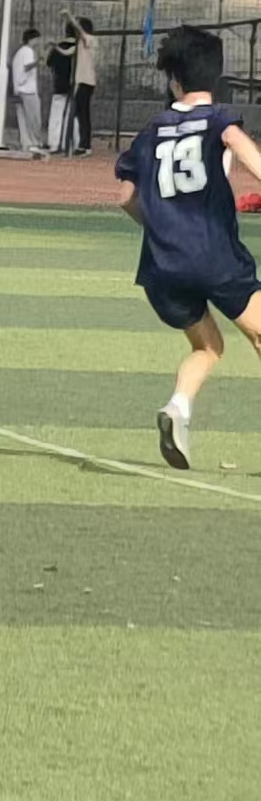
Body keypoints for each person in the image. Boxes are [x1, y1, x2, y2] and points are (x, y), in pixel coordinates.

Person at [114, 25, 261, 470]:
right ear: (215, 77)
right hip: (213, 254)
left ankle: (178, 408)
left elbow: (126, 198)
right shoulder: (219, 121)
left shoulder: (150, 131)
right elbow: (245, 154)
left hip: (161, 268)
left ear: (173, 80)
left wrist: (163, 226)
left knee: (209, 346)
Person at [64, 11, 97, 155]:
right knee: (80, 112)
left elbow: (81, 32)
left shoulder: (90, 39)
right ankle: (83, 143)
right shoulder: (80, 43)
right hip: (81, 81)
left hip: (86, 81)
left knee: (83, 113)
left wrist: (70, 16)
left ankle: (85, 145)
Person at [10, 28, 48, 155]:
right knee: (34, 118)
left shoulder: (19, 52)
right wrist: (38, 62)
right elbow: (27, 66)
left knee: (23, 118)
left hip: (19, 89)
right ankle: (34, 143)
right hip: (28, 90)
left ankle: (25, 143)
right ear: (32, 39)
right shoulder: (28, 51)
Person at [45, 26, 78, 154]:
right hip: (75, 85)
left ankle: (54, 143)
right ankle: (70, 143)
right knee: (74, 115)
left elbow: (49, 63)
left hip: (59, 84)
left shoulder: (58, 47)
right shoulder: (79, 47)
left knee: (56, 115)